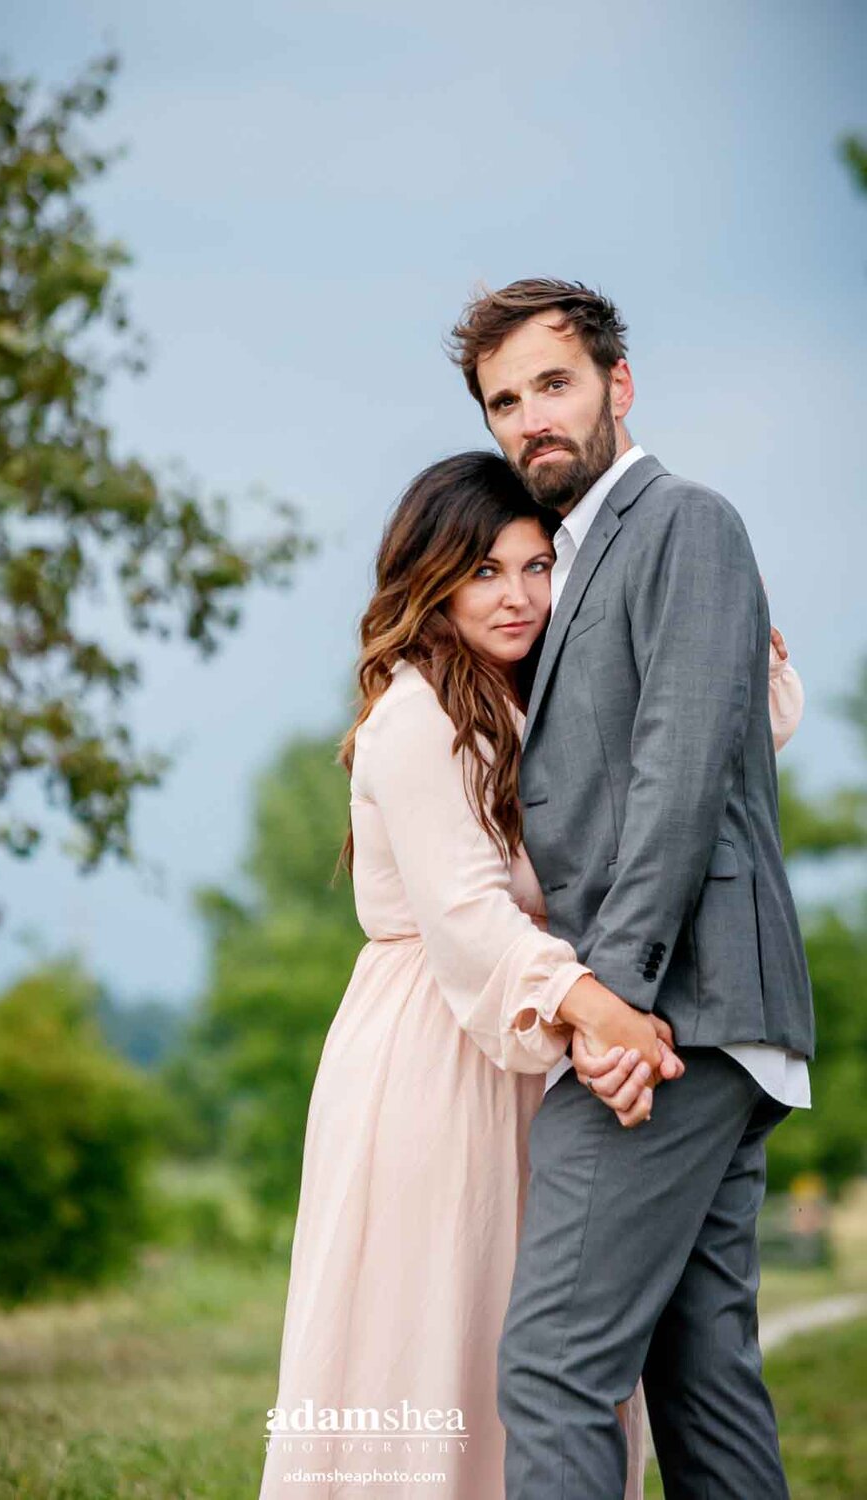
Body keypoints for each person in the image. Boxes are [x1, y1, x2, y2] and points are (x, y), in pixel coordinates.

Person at [257, 444, 804, 1499]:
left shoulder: (533, 700)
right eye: (483, 572)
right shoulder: (416, 713)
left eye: (533, 566)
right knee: (434, 1333)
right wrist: (606, 1014)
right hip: (437, 1050)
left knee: (542, 1338)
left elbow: (663, 784)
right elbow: (467, 911)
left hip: (538, 1046)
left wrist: (745, 679)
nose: (515, 597)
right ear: (429, 580)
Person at [448, 277, 814, 1500]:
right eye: (504, 402)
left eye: (552, 384)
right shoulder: (570, 563)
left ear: (618, 383)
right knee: (704, 1393)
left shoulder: (684, 523)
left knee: (552, 1368)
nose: (529, 421)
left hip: (674, 1022)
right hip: (688, 1018)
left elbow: (676, 778)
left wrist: (614, 1013)